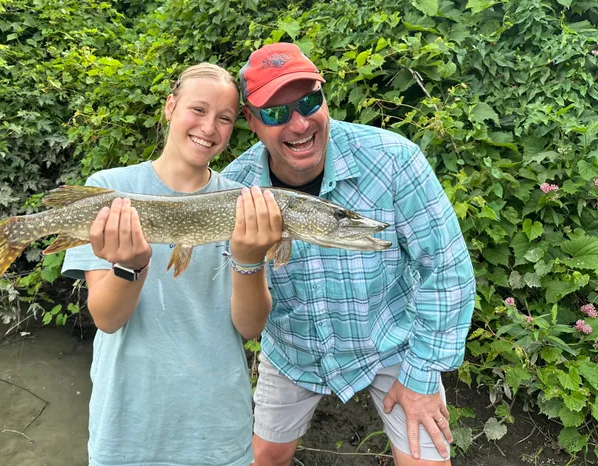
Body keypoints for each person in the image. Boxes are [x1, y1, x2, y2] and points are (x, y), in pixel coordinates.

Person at [221, 43, 476, 466]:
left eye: (308, 101)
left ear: (325, 96)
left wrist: (422, 376)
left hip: (390, 344)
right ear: (251, 121)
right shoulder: (233, 190)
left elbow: (446, 270)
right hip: (292, 351)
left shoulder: (394, 160)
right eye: (275, 112)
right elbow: (234, 313)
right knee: (264, 458)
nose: (299, 123)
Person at [61, 63, 282, 466]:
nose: (209, 128)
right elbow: (107, 318)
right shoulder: (110, 187)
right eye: (198, 110)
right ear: (170, 107)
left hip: (217, 431)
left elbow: (250, 328)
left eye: (225, 118)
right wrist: (130, 269)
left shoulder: (249, 204)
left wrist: (249, 260)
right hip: (127, 431)